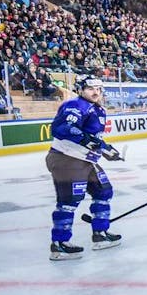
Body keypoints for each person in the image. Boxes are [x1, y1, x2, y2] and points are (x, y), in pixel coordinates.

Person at [46, 75, 123, 261]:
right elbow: (62, 128)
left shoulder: (97, 109)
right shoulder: (75, 106)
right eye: (91, 88)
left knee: (104, 191)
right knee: (69, 201)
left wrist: (106, 149)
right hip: (67, 159)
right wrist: (88, 141)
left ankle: (100, 233)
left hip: (85, 161)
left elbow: (92, 137)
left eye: (98, 88)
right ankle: (59, 245)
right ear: (81, 89)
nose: (96, 92)